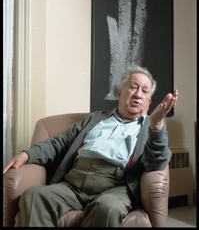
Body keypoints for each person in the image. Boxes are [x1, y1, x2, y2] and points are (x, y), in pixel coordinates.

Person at [3, 64, 178, 227]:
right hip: (73, 182)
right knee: (34, 196)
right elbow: (60, 143)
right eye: (133, 87)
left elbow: (157, 161)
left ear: (148, 101)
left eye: (144, 91)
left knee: (108, 208)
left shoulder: (151, 127)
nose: (138, 94)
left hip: (115, 185)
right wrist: (27, 154)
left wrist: (156, 127)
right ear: (119, 92)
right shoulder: (94, 119)